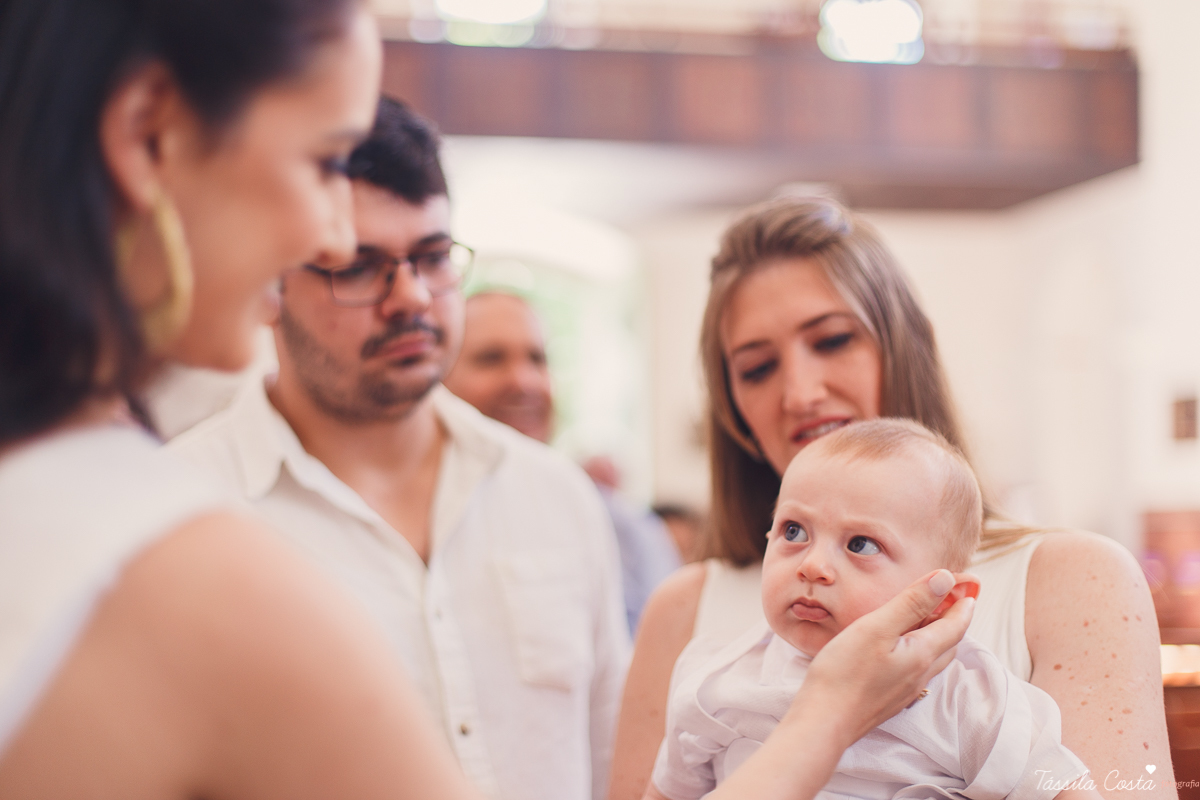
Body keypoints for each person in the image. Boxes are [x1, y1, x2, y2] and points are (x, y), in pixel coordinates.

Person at [0, 0, 976, 793]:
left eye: (431, 256)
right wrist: (831, 706)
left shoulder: (54, 493)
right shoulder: (189, 547)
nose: (323, 224)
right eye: (318, 160)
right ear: (145, 137)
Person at [609, 197, 1174, 800]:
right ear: (733, 412)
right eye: (756, 368)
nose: (800, 392)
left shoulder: (1074, 581)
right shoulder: (688, 621)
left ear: (906, 345)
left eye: (830, 341)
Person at [170, 98, 630, 800]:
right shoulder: (184, 511)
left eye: (433, 256)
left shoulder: (552, 493)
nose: (411, 296)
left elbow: (614, 766)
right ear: (271, 284)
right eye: (358, 267)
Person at [650, 419, 1097, 800]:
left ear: (943, 599)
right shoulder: (715, 678)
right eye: (793, 530)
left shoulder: (971, 699)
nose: (813, 565)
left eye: (860, 544)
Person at [444, 290, 681, 633]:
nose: (523, 381)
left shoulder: (621, 528)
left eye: (537, 359)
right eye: (491, 358)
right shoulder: (413, 520)